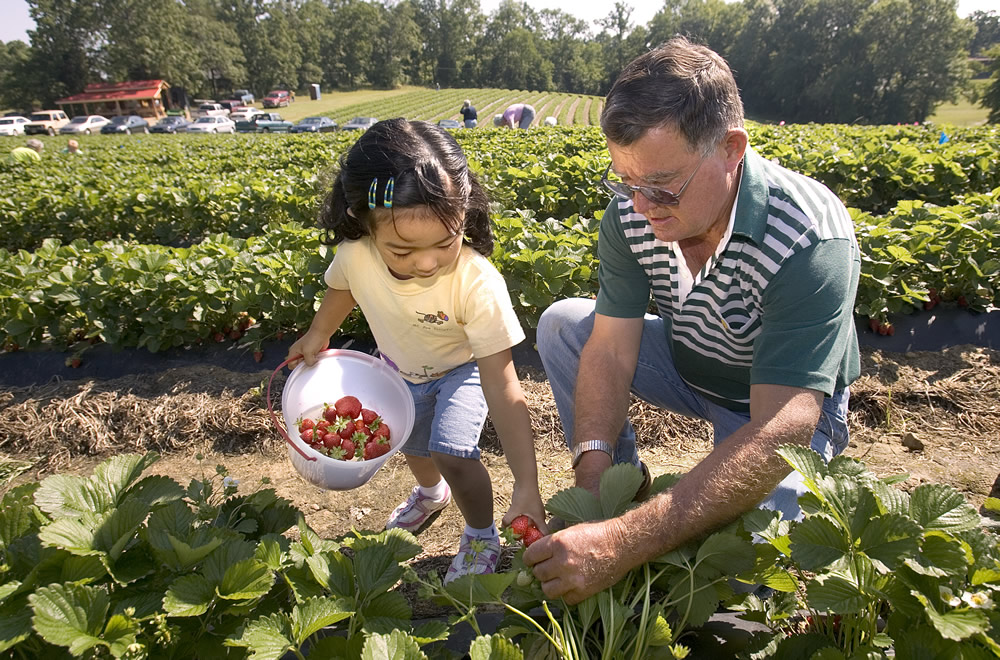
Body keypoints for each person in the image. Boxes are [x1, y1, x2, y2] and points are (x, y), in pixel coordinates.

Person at [523, 36, 860, 604]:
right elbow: (608, 351)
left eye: (662, 185)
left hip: (783, 409)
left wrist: (624, 543)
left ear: (731, 148)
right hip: (689, 366)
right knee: (564, 326)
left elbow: (782, 427)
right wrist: (594, 487)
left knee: (736, 575)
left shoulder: (808, 235)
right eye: (626, 183)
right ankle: (626, 487)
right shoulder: (633, 215)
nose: (642, 206)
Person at [286, 118, 548, 583]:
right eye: (402, 252)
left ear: (465, 213)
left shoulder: (476, 282)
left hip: (463, 370)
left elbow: (504, 387)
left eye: (445, 242)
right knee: (409, 442)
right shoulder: (356, 254)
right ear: (361, 223)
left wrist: (527, 484)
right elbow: (341, 290)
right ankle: (430, 494)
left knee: (451, 452)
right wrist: (317, 335)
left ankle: (481, 534)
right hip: (399, 368)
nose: (426, 262)